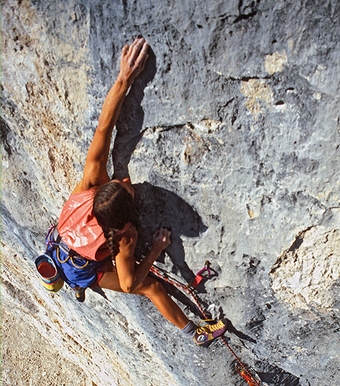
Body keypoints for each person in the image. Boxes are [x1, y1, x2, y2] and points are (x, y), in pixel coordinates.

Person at [51, 37, 226, 347]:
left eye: (120, 184)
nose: (127, 182)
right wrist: (158, 248)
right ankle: (198, 335)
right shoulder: (124, 238)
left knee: (144, 282)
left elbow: (104, 128)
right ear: (122, 224)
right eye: (127, 189)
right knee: (152, 288)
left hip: (64, 247)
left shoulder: (89, 183)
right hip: (83, 269)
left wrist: (125, 79)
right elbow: (131, 284)